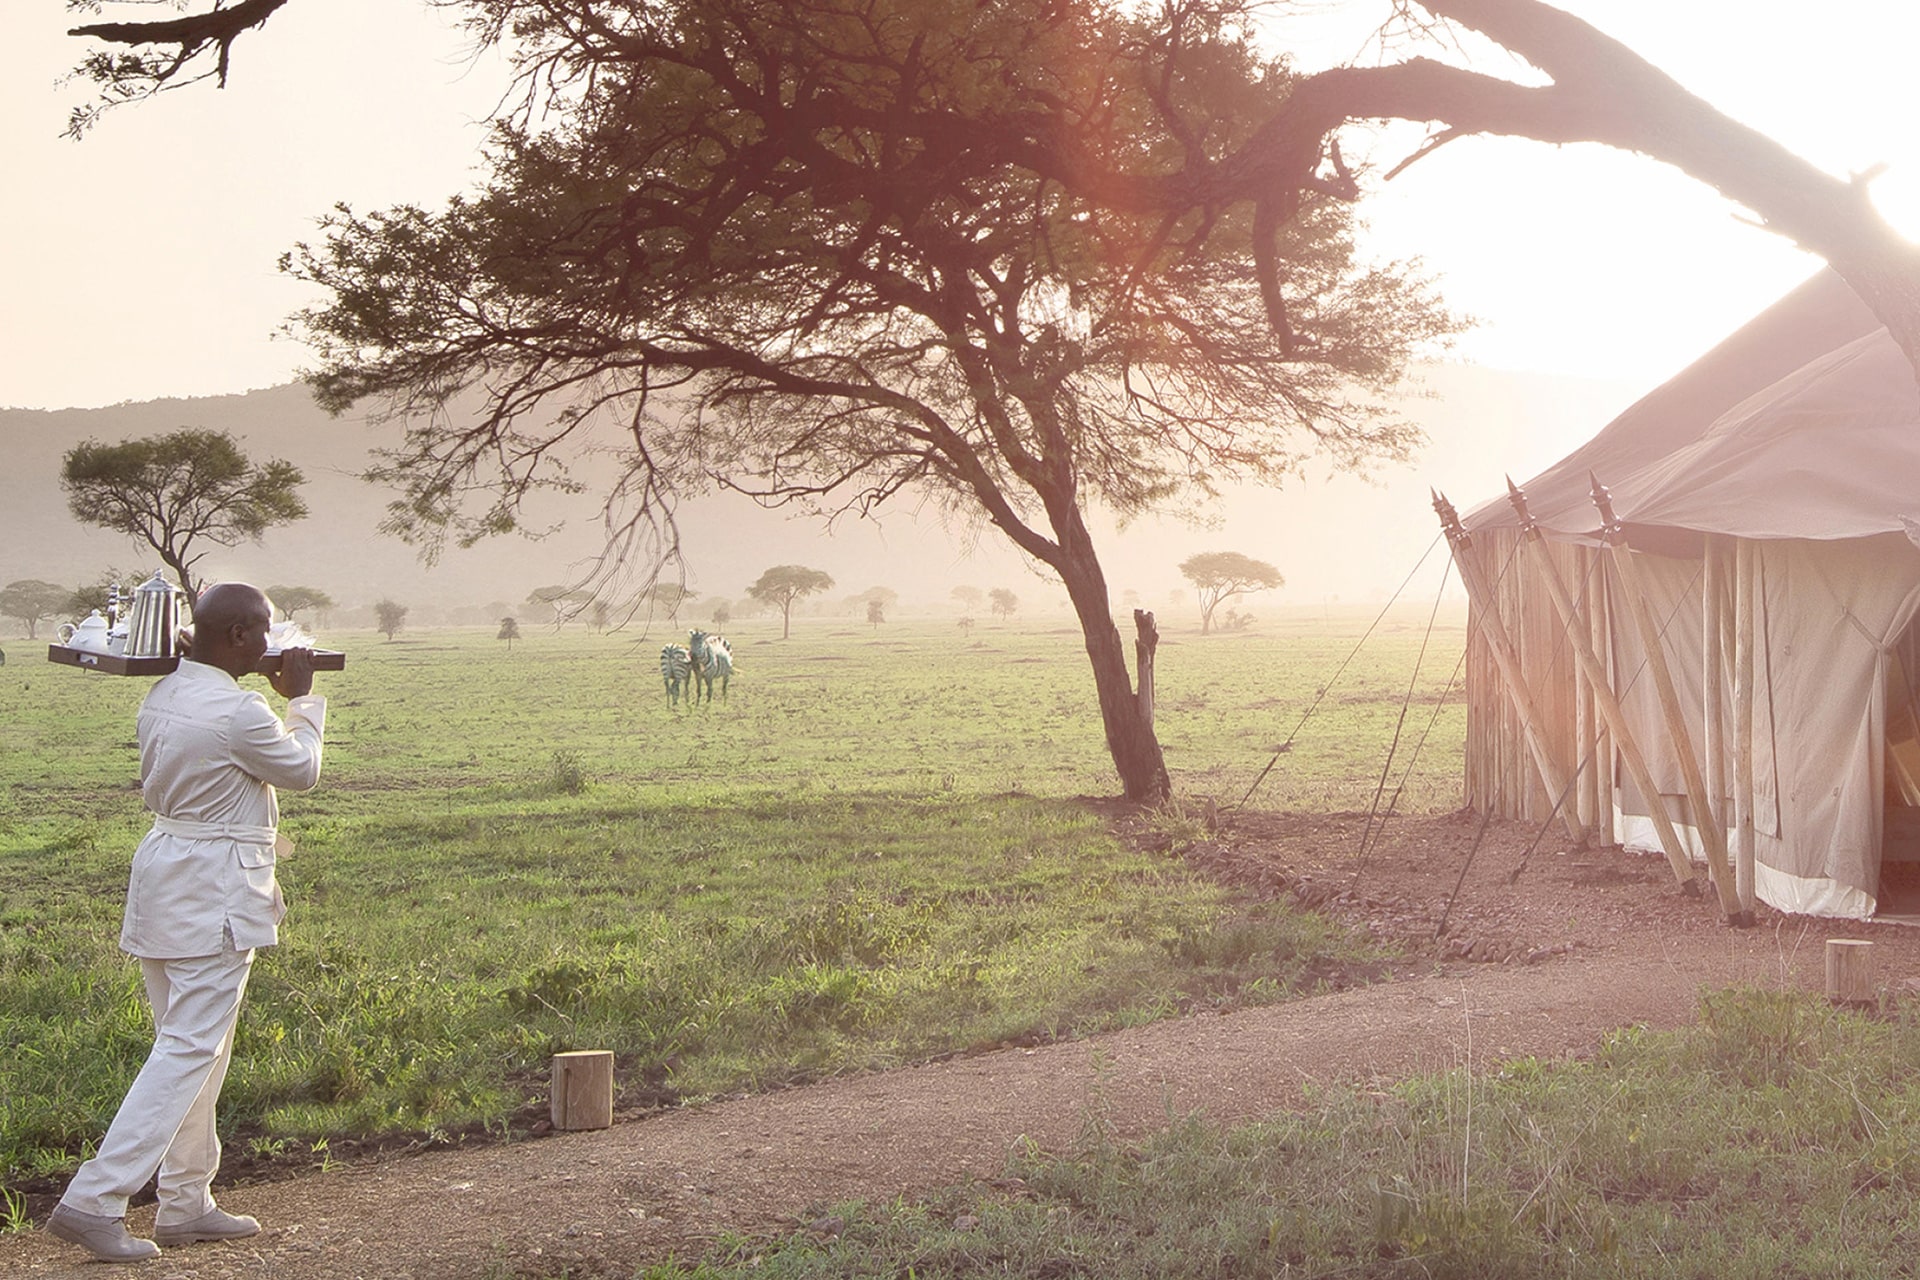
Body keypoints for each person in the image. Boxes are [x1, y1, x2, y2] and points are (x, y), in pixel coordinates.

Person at [47, 583, 325, 1263]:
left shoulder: (166, 693)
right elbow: (304, 771)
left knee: (197, 1044)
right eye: (262, 632)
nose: (271, 645)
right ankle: (95, 1199)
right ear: (235, 636)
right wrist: (303, 697)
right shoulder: (240, 712)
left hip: (166, 872)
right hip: (217, 888)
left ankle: (185, 1200)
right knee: (187, 1051)